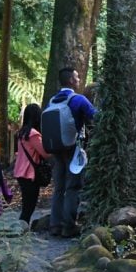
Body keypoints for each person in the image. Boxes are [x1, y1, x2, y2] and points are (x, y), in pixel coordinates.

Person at [48, 67, 97, 238]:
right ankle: (68, 226)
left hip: (56, 148)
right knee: (73, 187)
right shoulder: (78, 100)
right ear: (70, 80)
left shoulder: (52, 100)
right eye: (76, 77)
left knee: (59, 188)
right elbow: (96, 117)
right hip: (73, 149)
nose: (78, 79)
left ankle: (55, 225)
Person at [13, 104, 48, 224]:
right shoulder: (33, 134)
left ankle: (22, 228)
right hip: (29, 173)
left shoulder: (22, 133)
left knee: (26, 205)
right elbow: (45, 153)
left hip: (20, 172)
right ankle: (20, 231)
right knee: (29, 206)